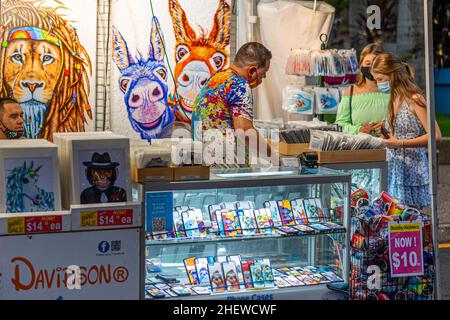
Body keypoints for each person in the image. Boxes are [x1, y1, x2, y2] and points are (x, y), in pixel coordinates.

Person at [371, 52, 442, 209]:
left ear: (394, 75)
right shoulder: (393, 99)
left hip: (412, 170)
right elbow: (397, 135)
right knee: (393, 221)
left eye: (380, 79)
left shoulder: (415, 99)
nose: (378, 84)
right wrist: (385, 132)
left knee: (410, 222)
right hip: (394, 168)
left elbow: (436, 135)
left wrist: (400, 142)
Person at [191, 42, 273, 161]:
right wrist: (273, 157)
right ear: (251, 71)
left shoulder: (217, 78)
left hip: (203, 159)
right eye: (263, 73)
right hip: (223, 164)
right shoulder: (239, 85)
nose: (263, 78)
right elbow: (244, 130)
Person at [335, 44, 389, 135]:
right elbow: (340, 124)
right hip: (361, 148)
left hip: (390, 147)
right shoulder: (351, 91)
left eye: (376, 63)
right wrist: (358, 130)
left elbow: (404, 122)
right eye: (368, 63)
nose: (372, 68)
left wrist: (387, 126)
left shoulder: (393, 90)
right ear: (360, 66)